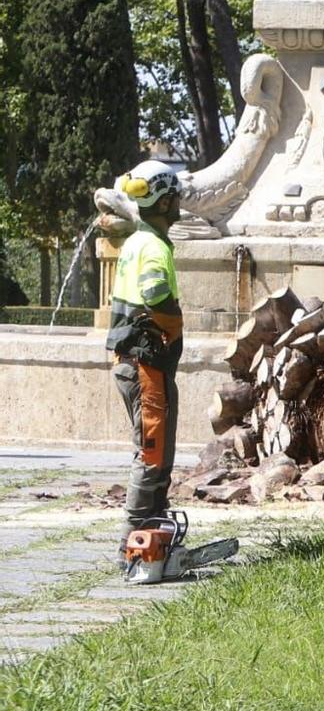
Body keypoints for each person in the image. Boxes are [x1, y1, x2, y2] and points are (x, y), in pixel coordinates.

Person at [105, 161, 185, 538]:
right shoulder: (153, 245)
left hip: (133, 362)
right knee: (151, 456)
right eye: (177, 197)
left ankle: (154, 532)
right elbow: (154, 291)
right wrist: (173, 321)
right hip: (146, 364)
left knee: (154, 452)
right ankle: (134, 541)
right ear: (166, 201)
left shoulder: (136, 240)